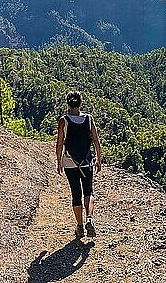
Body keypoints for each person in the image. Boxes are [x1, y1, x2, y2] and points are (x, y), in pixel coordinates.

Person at [56, 90, 102, 238]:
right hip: (86, 162)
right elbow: (95, 139)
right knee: (88, 191)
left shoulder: (64, 120)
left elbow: (60, 143)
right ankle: (90, 218)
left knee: (76, 194)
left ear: (68, 103)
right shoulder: (89, 119)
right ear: (81, 103)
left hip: (70, 162)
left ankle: (80, 226)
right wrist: (98, 158)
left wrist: (59, 161)